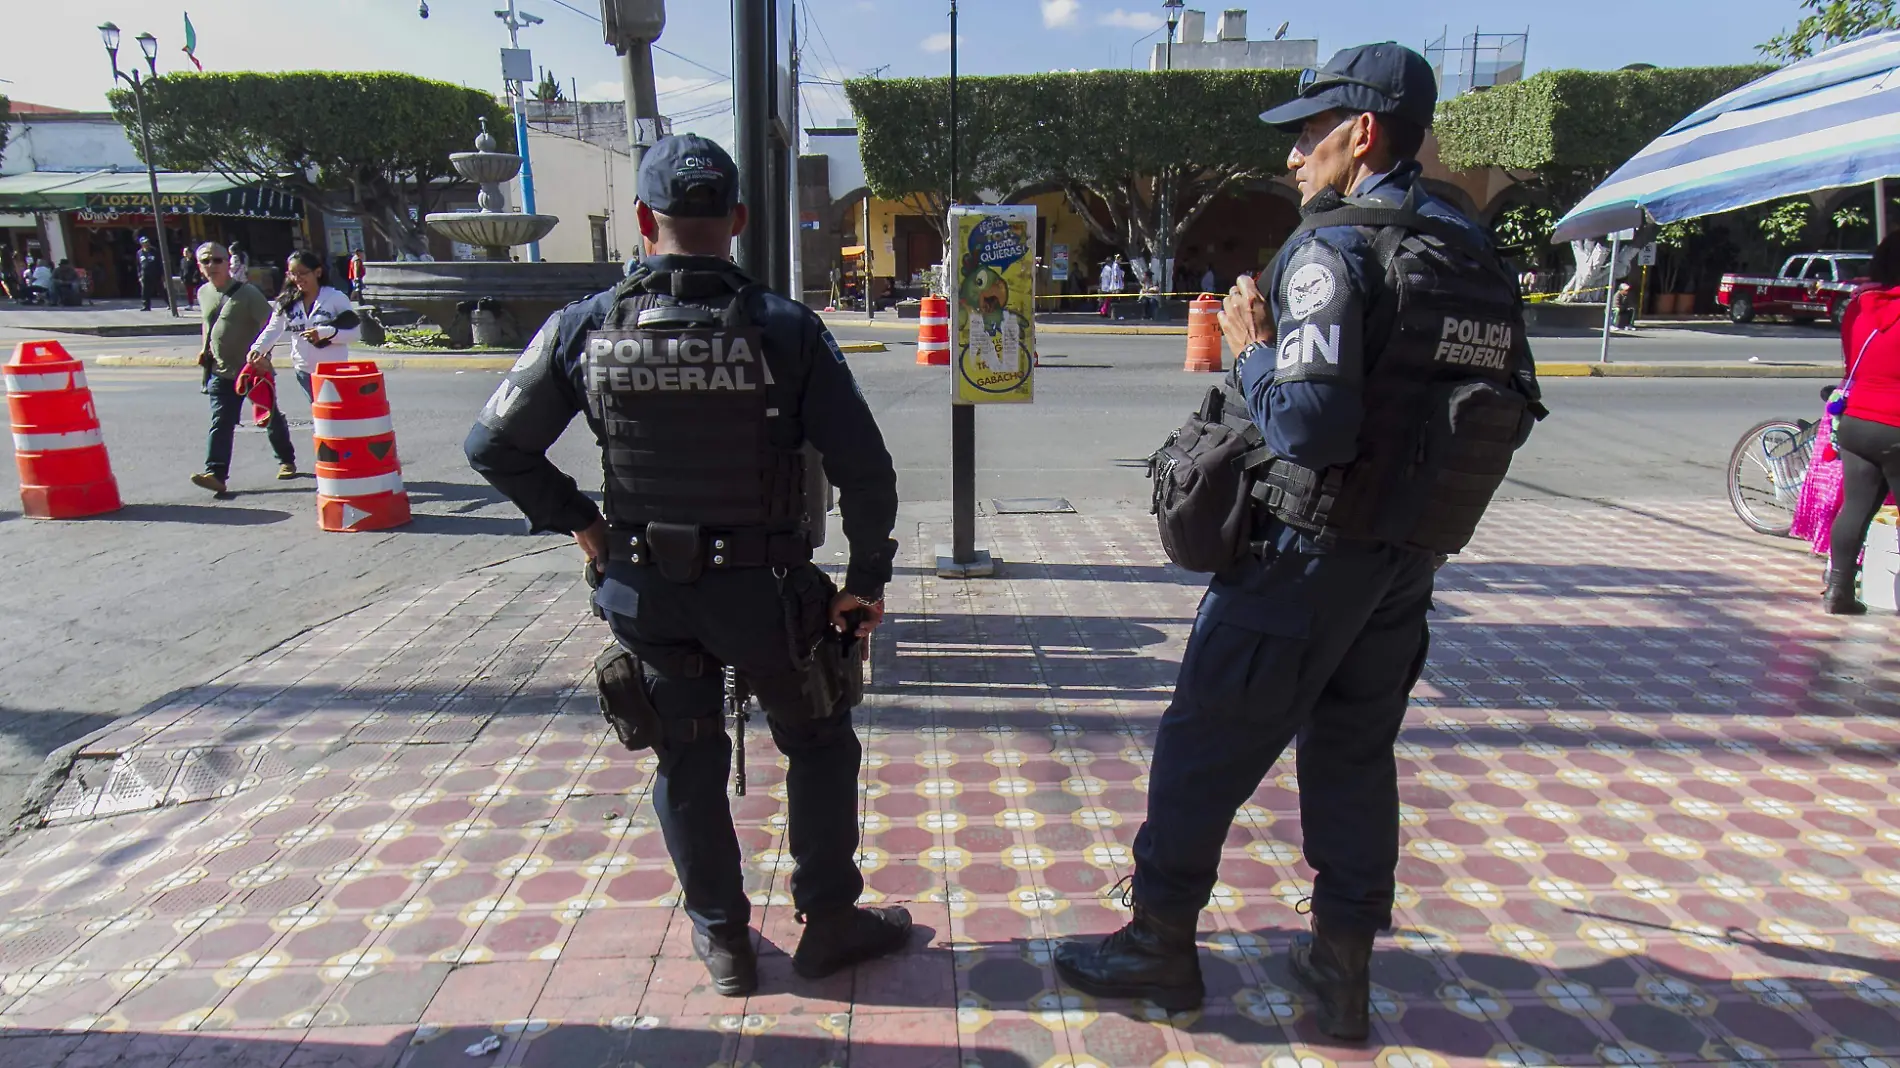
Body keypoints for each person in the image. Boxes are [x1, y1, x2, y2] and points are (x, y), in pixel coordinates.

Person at [1053, 43, 1543, 1041]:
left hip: (1302, 555)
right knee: (1355, 756)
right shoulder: (1476, 254)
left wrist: (1252, 348)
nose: (1292, 156)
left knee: (1202, 745)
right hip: (1405, 561)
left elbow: (1310, 427)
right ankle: (1339, 969)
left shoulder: (1333, 250)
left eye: (1310, 134)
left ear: (1362, 135)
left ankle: (1158, 945)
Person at [465, 134, 909, 997]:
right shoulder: (788, 330)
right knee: (818, 744)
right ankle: (829, 923)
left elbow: (492, 445)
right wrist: (866, 583)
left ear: (642, 221)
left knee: (685, 757)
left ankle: (724, 942)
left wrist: (583, 525)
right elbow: (868, 471)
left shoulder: (584, 326)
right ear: (737, 221)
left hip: (648, 593)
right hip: (770, 597)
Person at [1826, 232, 1900, 614]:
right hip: (1896, 424)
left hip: (1857, 422)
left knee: (1855, 507)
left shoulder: (1857, 308)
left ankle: (1838, 590)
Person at [191, 242, 298, 494]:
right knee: (221, 421)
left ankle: (287, 459)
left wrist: (263, 356)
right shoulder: (203, 292)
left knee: (269, 415)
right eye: (206, 261)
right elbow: (208, 324)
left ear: (229, 263)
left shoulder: (248, 294)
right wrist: (204, 348)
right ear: (199, 266)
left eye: (217, 260)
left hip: (251, 370)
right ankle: (216, 474)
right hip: (220, 371)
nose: (211, 265)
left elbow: (270, 326)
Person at [249, 250, 361, 399]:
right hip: (304, 371)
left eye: (302, 273)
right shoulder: (287, 302)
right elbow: (274, 328)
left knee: (334, 416)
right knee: (320, 415)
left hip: (333, 370)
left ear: (318, 272)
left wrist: (325, 333)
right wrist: (258, 348)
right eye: (292, 274)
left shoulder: (335, 297)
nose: (297, 278)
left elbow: (355, 334)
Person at [136, 235, 165, 312]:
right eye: (144, 243)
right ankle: (146, 306)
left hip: (155, 273)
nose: (146, 244)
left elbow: (159, 262)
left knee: (161, 289)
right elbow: (138, 265)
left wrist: (162, 273)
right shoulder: (139, 253)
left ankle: (169, 304)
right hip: (145, 274)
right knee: (145, 291)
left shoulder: (154, 251)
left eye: (147, 242)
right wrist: (139, 275)